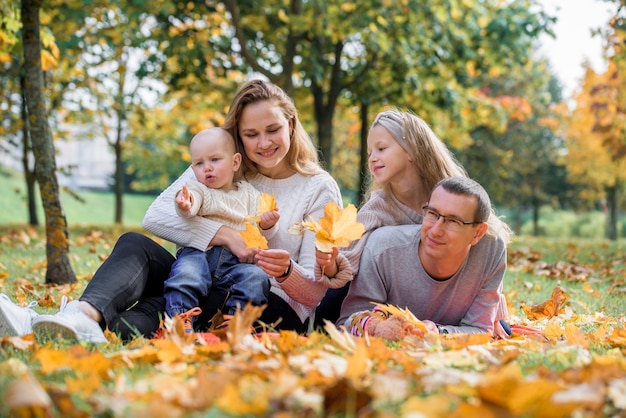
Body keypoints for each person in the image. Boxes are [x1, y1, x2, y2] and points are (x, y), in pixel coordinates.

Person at [0, 79, 352, 342]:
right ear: (238, 140)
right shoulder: (222, 163)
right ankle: (79, 318)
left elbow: (315, 295)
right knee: (135, 246)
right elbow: (157, 216)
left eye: (273, 129)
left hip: (258, 304)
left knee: (155, 311)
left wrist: (287, 270)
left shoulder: (318, 188)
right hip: (199, 280)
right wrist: (225, 235)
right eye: (251, 134)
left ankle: (50, 321)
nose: (264, 143)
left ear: (291, 123)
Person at [314, 109, 471, 327]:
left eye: (381, 148)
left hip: (438, 295)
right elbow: (345, 264)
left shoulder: (450, 195)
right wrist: (330, 263)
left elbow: (482, 240)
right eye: (370, 152)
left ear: (411, 150)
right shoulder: (377, 208)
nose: (372, 158)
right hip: (386, 302)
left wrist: (494, 306)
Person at [336, 176, 510, 339]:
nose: (435, 231)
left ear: (478, 233)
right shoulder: (383, 249)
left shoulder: (491, 249)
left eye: (452, 221)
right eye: (433, 214)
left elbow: (480, 330)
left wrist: (437, 332)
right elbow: (348, 324)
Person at [164, 127, 278, 332]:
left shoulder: (249, 194)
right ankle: (180, 318)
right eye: (199, 163)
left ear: (235, 162)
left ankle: (235, 323)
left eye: (215, 160)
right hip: (199, 253)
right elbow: (193, 204)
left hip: (235, 262)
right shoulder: (199, 189)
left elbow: (257, 229)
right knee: (186, 273)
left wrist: (267, 224)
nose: (207, 168)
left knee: (256, 278)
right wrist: (185, 204)